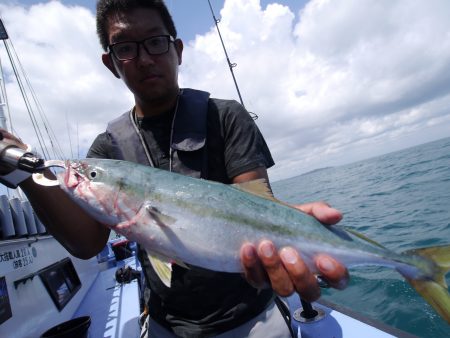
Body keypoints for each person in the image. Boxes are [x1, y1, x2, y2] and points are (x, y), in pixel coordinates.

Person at [0, 0, 348, 337]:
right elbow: (88, 244)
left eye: (155, 42)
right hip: (168, 325)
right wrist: (23, 174)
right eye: (126, 48)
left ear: (177, 49)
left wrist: (292, 223)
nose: (144, 58)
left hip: (254, 317)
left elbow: (257, 201)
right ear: (111, 63)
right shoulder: (108, 148)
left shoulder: (225, 117)